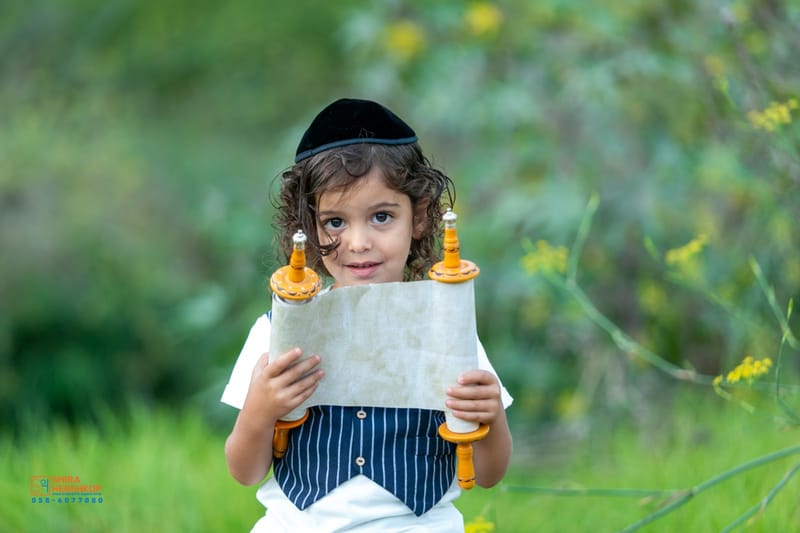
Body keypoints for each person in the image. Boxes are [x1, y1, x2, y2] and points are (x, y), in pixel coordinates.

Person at [221, 98, 513, 532]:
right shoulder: (278, 331)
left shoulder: (446, 330)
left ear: (419, 218)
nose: (358, 243)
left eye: (381, 216)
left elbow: (488, 475)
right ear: (309, 226)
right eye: (335, 222)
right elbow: (245, 472)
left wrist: (492, 417)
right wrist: (260, 412)